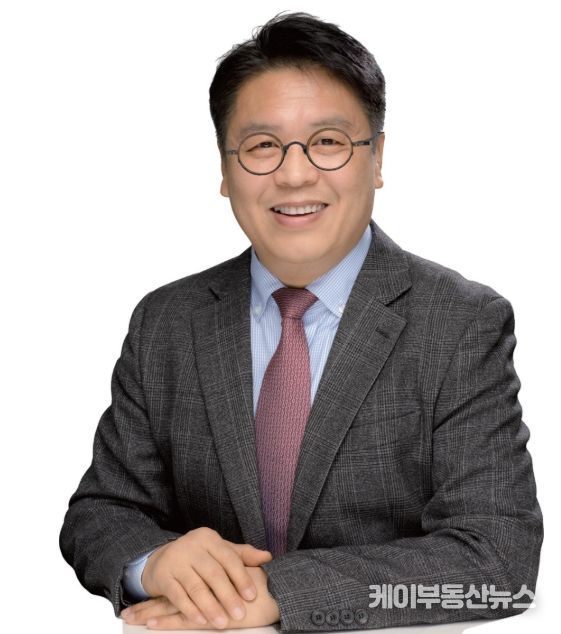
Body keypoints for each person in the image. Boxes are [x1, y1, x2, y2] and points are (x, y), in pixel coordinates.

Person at [59, 11, 543, 631]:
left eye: (328, 142)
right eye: (262, 146)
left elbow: (498, 567)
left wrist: (276, 592)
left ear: (376, 158)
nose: (294, 174)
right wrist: (153, 564)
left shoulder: (459, 323)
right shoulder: (167, 322)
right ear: (225, 168)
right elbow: (102, 510)